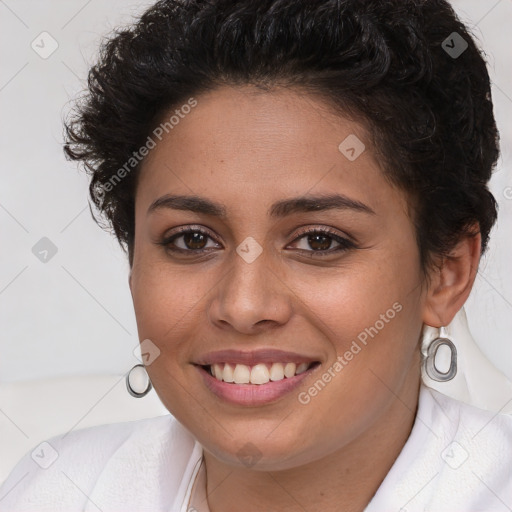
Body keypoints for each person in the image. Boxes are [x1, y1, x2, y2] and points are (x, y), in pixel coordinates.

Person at [1, 0, 511, 511]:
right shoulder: (59, 491)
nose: (243, 307)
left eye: (319, 240)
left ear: (447, 272)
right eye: (192, 239)